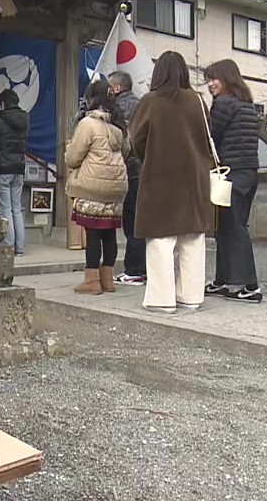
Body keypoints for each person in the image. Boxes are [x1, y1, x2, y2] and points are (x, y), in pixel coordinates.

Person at [128, 51, 215, 313]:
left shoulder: (151, 101)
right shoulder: (198, 101)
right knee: (192, 239)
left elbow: (136, 140)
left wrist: (150, 155)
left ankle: (161, 299)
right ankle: (190, 296)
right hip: (195, 178)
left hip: (160, 177)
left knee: (160, 241)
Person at [203, 59, 263, 303]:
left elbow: (209, 136)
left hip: (230, 173)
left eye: (214, 78)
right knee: (228, 227)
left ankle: (250, 285)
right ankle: (223, 280)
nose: (210, 84)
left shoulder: (223, 104)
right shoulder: (246, 104)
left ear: (227, 78)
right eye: (208, 79)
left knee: (233, 228)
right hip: (248, 172)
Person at [65, 81, 129, 294]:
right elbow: (127, 152)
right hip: (116, 187)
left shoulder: (87, 124)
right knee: (109, 232)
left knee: (93, 233)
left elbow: (74, 157)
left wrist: (68, 153)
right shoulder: (118, 126)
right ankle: (107, 279)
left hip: (93, 186)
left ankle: (92, 281)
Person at [108, 71, 147, 286]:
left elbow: (122, 141)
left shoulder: (119, 108)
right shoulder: (142, 104)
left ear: (115, 88)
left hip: (130, 167)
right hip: (145, 168)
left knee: (131, 221)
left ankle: (135, 269)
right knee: (139, 220)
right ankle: (141, 268)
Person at [0, 88, 30, 256]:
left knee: (5, 209)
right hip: (19, 168)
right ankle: (20, 248)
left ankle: (8, 245)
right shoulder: (25, 119)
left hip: (2, 167)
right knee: (17, 209)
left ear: (3, 103)